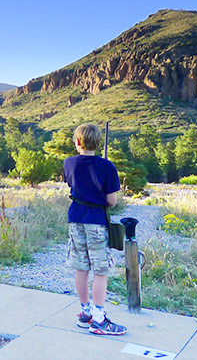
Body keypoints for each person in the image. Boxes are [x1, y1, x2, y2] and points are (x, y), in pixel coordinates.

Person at [63, 123, 127, 336]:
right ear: (97, 142)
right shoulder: (106, 166)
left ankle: (85, 313)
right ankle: (99, 319)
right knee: (100, 270)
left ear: (78, 141)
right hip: (96, 221)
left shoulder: (68, 163)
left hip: (75, 218)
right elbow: (111, 200)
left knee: (81, 267)